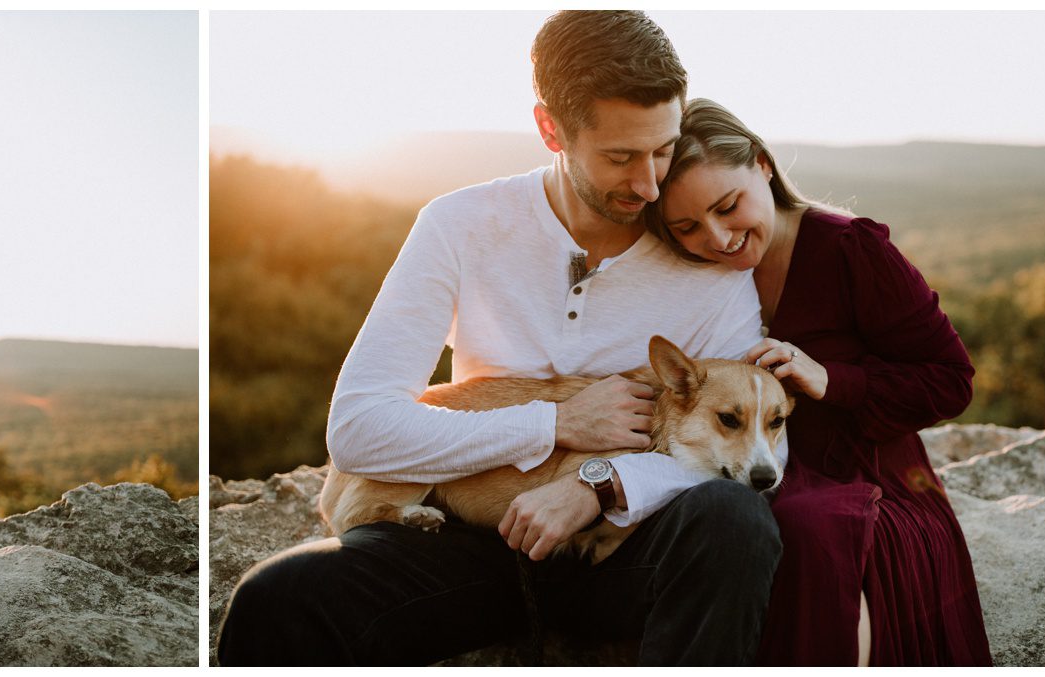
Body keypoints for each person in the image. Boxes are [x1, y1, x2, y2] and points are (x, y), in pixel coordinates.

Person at [216, 11, 783, 666]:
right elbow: (359, 428)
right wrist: (553, 423)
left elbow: (756, 447)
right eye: (620, 157)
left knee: (736, 524)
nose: (650, 183)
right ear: (551, 129)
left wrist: (598, 483)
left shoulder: (710, 265)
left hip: (623, 550)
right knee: (276, 598)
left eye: (664, 149)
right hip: (465, 540)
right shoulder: (459, 224)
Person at [642, 98, 991, 666]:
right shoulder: (696, 272)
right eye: (687, 227)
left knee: (807, 528)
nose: (719, 237)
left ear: (763, 166)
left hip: (868, 477)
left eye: (728, 206)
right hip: (761, 466)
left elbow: (952, 380)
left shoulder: (853, 250)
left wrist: (833, 380)